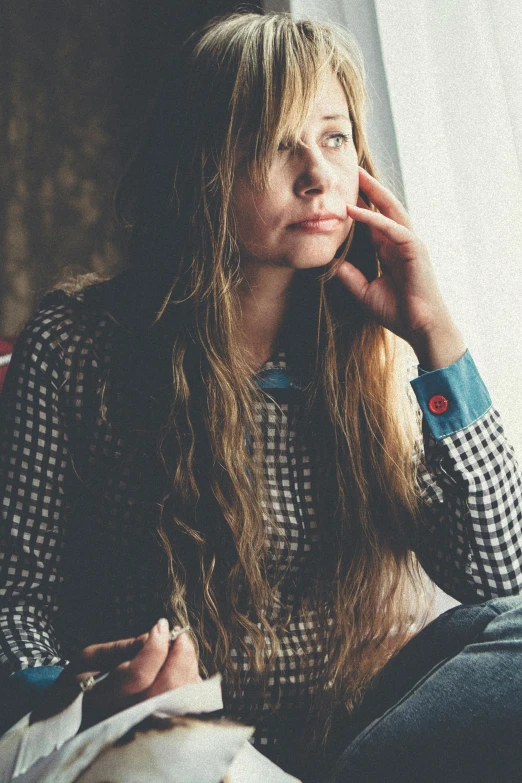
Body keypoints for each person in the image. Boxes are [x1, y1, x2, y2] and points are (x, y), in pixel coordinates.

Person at [1, 10, 522, 782]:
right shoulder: (80, 344)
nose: (316, 173)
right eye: (278, 142)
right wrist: (88, 698)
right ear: (201, 163)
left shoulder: (368, 346)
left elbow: (501, 574)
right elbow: (18, 599)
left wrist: (435, 338)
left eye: (334, 137)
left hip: (360, 739)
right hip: (180, 742)